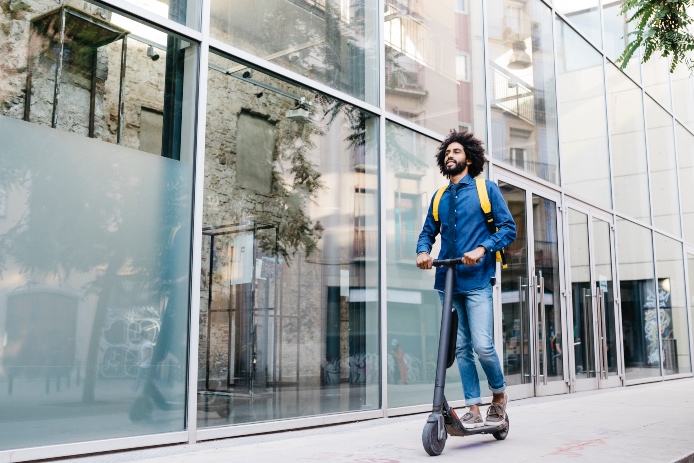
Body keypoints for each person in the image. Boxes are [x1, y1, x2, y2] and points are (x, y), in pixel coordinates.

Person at [416, 130, 516, 429]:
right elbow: (427, 233)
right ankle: (472, 406)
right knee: (460, 348)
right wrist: (422, 251)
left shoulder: (486, 190)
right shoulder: (439, 198)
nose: (450, 155)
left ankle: (498, 396)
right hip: (447, 280)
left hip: (477, 279)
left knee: (482, 345)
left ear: (469, 159)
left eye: (456, 152)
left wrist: (483, 249)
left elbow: (507, 228)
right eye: (447, 152)